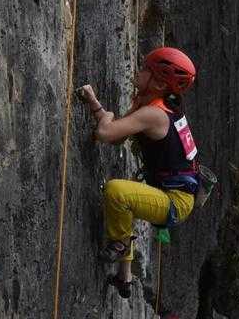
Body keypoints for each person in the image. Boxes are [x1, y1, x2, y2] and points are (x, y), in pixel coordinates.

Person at [78, 47, 199, 299]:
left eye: (146, 69)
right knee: (126, 203)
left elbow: (105, 133)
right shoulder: (157, 104)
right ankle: (125, 277)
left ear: (159, 82)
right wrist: (96, 105)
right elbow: (115, 137)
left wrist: (106, 116)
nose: (138, 71)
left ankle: (120, 246)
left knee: (117, 192)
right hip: (170, 191)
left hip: (176, 201)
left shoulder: (154, 114)